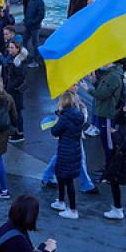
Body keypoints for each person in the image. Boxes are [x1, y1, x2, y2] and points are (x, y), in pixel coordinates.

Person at [50, 91, 85, 220]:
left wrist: (58, 118)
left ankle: (72, 209)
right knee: (63, 176)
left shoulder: (65, 118)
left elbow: (55, 131)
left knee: (66, 179)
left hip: (65, 151)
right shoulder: (78, 115)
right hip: (74, 150)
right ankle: (61, 201)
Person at [89, 61, 125, 175]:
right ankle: (108, 167)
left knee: (109, 143)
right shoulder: (111, 73)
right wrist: (95, 82)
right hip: (104, 113)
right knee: (106, 142)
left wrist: (88, 89)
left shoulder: (113, 76)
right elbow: (103, 89)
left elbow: (102, 94)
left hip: (107, 114)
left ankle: (111, 170)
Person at [1, 40, 28, 143]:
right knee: (14, 112)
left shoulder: (18, 62)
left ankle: (19, 134)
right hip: (12, 90)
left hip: (15, 92)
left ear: (18, 49)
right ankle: (16, 132)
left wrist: (9, 87)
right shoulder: (14, 59)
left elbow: (20, 77)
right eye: (9, 47)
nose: (9, 49)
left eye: (12, 47)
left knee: (16, 112)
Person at [22, 0, 44, 69]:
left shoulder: (39, 2)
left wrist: (32, 22)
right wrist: (26, 20)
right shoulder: (31, 0)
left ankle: (36, 61)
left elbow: (41, 15)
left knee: (35, 43)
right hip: (28, 25)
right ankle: (25, 56)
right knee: (25, 40)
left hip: (35, 27)